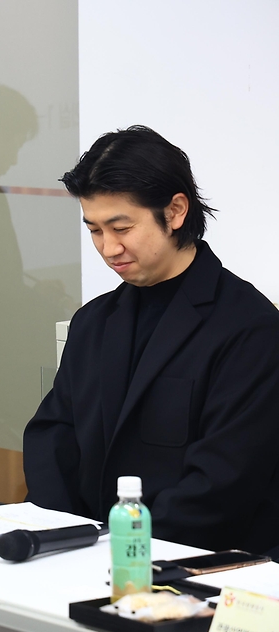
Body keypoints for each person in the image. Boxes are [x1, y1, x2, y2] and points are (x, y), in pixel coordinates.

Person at [23, 125, 279, 556]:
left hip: (193, 563)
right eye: (95, 230)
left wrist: (127, 550)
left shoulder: (251, 329)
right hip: (81, 556)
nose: (108, 248)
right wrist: (59, 535)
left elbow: (224, 482)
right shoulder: (93, 321)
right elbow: (52, 437)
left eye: (121, 227)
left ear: (175, 211)